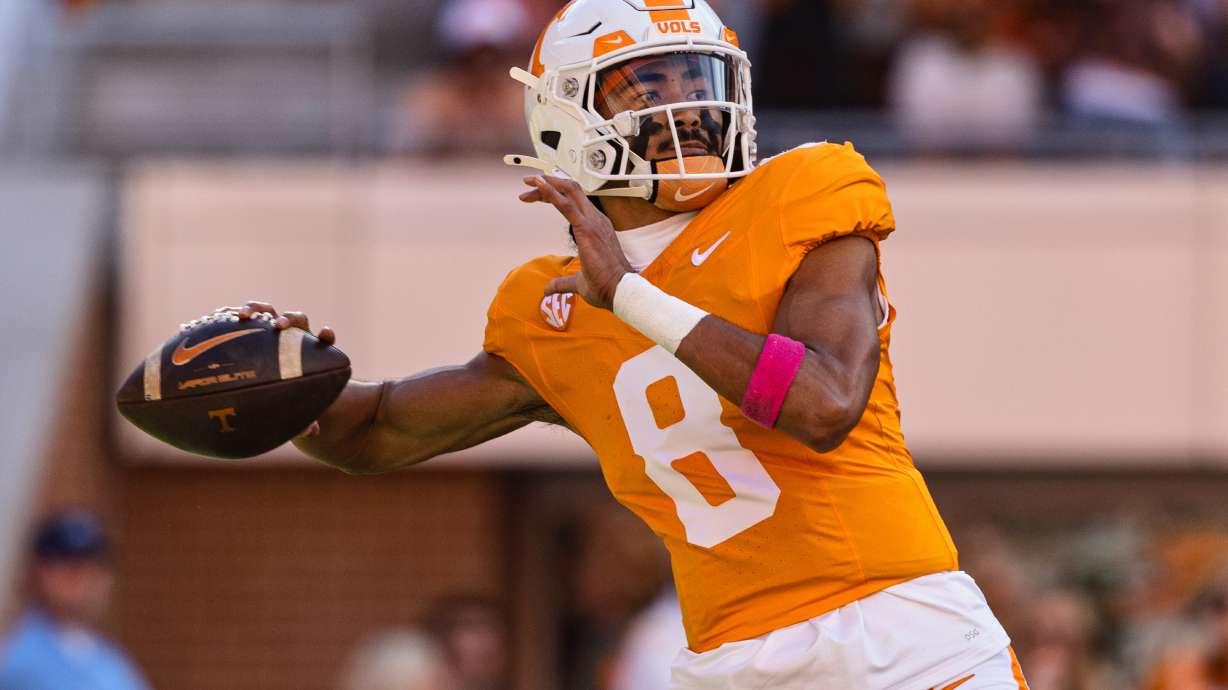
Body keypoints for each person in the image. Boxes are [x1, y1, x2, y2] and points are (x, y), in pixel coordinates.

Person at [230, 0, 1028, 686]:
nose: (686, 108)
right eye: (650, 85)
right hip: (729, 660)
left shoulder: (803, 195)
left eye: (697, 81)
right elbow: (378, 432)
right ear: (563, 117)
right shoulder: (553, 308)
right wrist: (293, 387)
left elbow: (822, 402)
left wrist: (631, 297)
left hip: (903, 638)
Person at [0, 511, 151, 690]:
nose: (82, 579)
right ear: (38, 573)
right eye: (68, 567)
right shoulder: (15, 656)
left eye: (93, 568)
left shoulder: (113, 661)